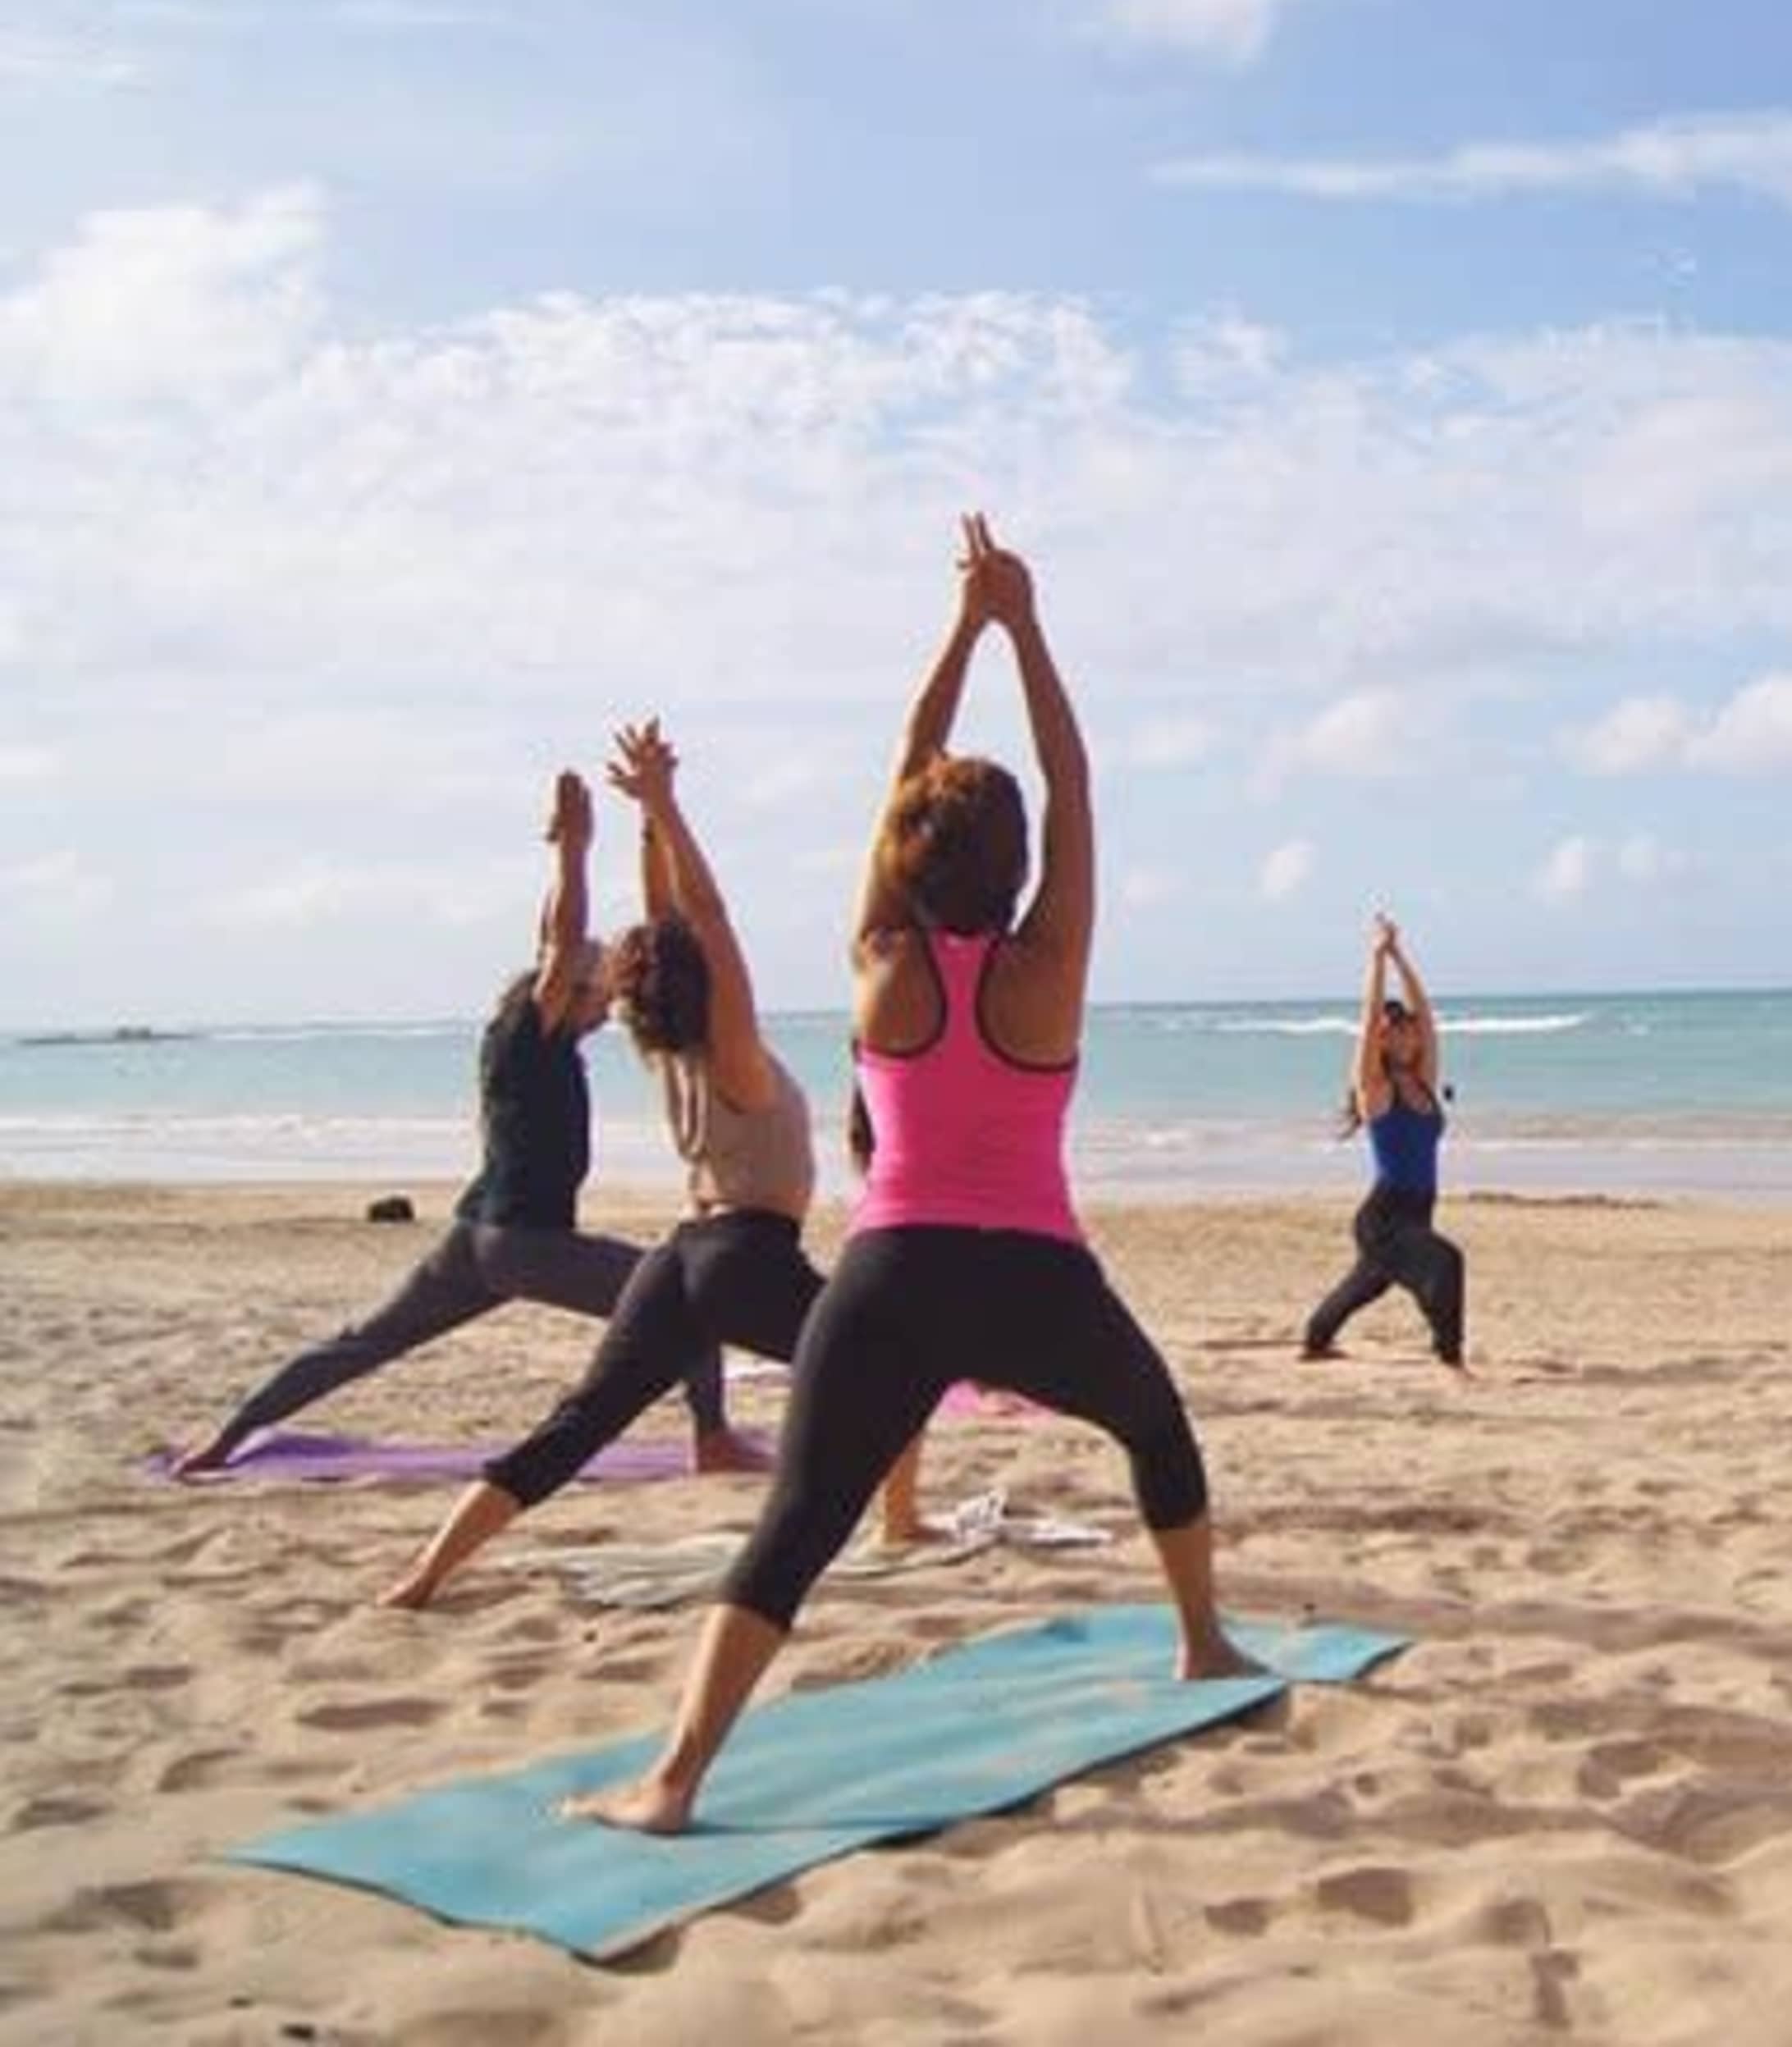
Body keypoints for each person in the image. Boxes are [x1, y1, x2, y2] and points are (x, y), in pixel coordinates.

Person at [566, 516, 1257, 1835]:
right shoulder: (1048, 967)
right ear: (1017, 873)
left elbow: (906, 767)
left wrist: (962, 626)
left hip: (890, 1278)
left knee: (801, 1519)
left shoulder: (882, 955)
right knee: (1157, 1431)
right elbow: (1075, 786)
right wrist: (1027, 624)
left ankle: (672, 1782)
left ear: (908, 853)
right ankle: (1203, 1644)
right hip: (1040, 1279)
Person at [378, 722, 928, 1609]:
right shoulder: (735, 1051)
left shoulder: (666, 1049)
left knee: (577, 1425)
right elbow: (702, 920)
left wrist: (646, 822)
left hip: (679, 1258)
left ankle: (424, 1575)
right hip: (748, 1258)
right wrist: (666, 805)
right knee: (900, 1366)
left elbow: (671, 928)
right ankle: (902, 1523)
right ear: (710, 983)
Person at [172, 774, 755, 1477]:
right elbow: (561, 943)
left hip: (472, 1239)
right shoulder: (535, 1032)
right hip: (527, 1242)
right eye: (598, 993)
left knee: (361, 1343)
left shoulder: (519, 1035)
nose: (609, 1005)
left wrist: (569, 856)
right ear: (564, 993)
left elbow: (552, 940)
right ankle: (713, 1440)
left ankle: (226, 1439)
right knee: (685, 1300)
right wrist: (573, 851)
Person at [1301, 915, 1466, 1368]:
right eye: (1396, 1031)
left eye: (1410, 1030)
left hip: (1418, 1213)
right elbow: (1369, 1016)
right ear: (1382, 1039)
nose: (1409, 1035)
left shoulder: (1424, 1083)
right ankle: (1450, 1358)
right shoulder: (1376, 1090)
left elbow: (1428, 1017)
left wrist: (1399, 956)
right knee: (1446, 1264)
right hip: (1386, 1219)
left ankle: (1315, 1339)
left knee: (1364, 1287)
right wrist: (1376, 960)